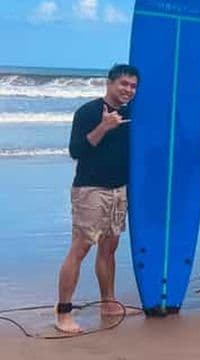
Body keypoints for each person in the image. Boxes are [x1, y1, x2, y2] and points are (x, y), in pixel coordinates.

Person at [55, 64, 139, 334]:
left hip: (119, 189)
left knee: (109, 248)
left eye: (133, 86)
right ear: (110, 83)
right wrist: (104, 126)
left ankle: (108, 302)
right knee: (80, 248)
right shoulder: (88, 112)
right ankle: (63, 313)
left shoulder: (132, 113)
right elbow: (76, 151)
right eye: (123, 84)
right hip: (91, 190)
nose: (128, 90)